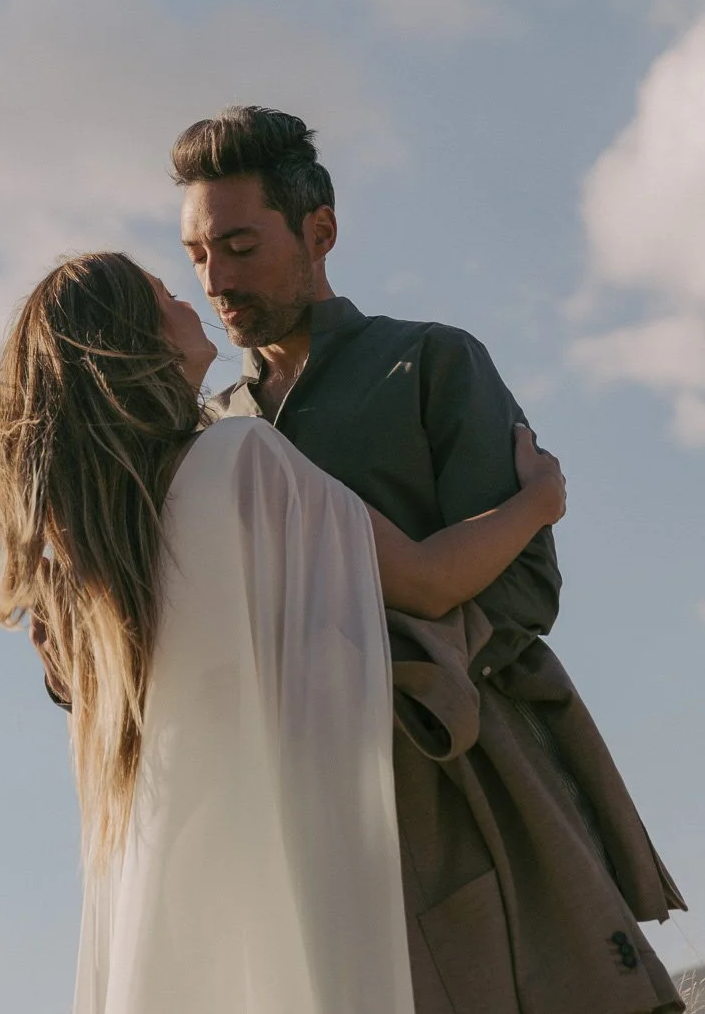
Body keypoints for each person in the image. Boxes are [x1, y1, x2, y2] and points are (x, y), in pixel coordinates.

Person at [168, 105, 686, 1014]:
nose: (218, 279)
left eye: (241, 246)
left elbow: (527, 588)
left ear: (318, 231)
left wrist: (378, 678)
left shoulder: (430, 363)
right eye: (199, 255)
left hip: (466, 786)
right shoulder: (212, 431)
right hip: (287, 818)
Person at [0, 251, 570, 1014]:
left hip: (171, 876)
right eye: (164, 293)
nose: (193, 299)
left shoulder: (98, 549)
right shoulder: (240, 458)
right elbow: (429, 579)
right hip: (295, 847)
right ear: (138, 340)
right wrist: (540, 501)